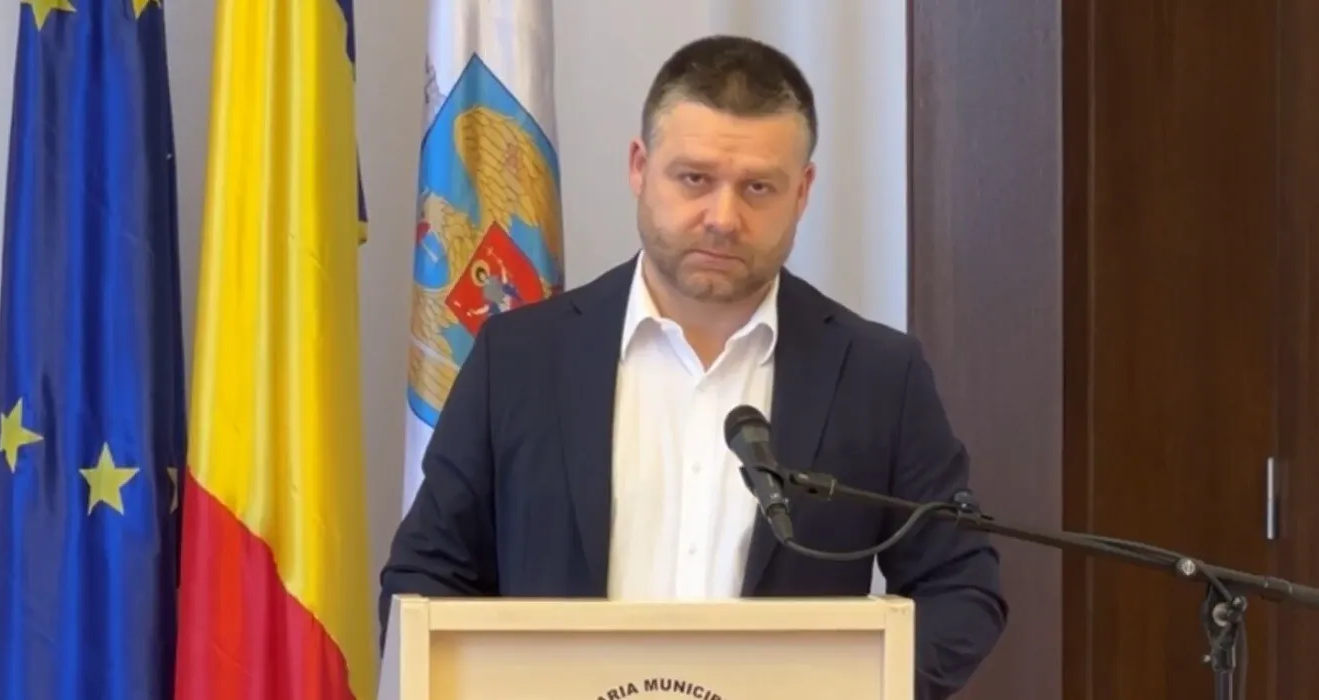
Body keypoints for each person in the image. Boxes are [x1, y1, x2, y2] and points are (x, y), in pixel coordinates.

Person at [380, 34, 1007, 699]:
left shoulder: (876, 374)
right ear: (639, 168)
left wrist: (854, 688)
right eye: (694, 179)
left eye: (758, 187)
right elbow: (428, 575)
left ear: (802, 192)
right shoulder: (519, 359)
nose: (722, 218)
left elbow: (960, 587)